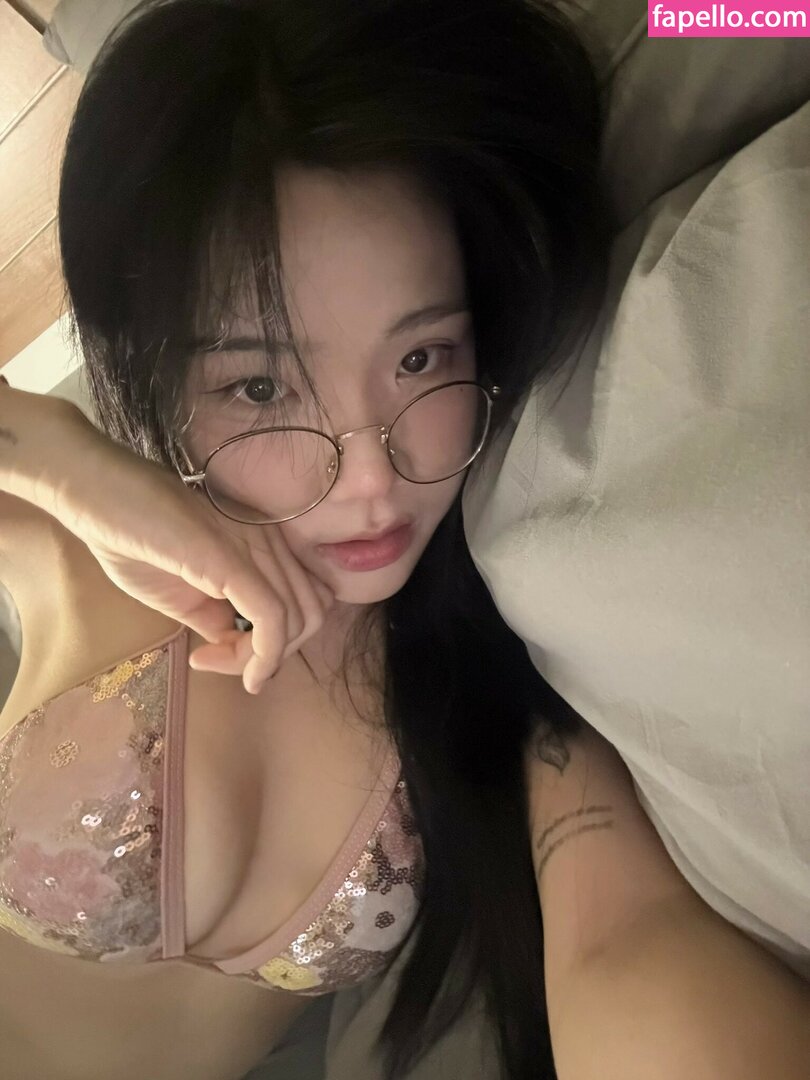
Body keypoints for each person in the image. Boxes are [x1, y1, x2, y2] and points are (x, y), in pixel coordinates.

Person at [0, 3, 807, 1080]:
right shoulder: (85, 552)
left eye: (421, 360)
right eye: (260, 386)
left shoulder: (503, 633)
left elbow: (622, 941)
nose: (372, 476)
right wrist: (57, 453)